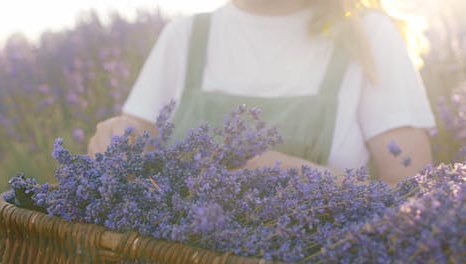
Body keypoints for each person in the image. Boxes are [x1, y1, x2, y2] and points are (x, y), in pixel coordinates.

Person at [88, 0, 435, 187]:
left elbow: (413, 193)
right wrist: (116, 138)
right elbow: (134, 139)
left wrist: (309, 180)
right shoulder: (185, 35)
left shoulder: (367, 35)